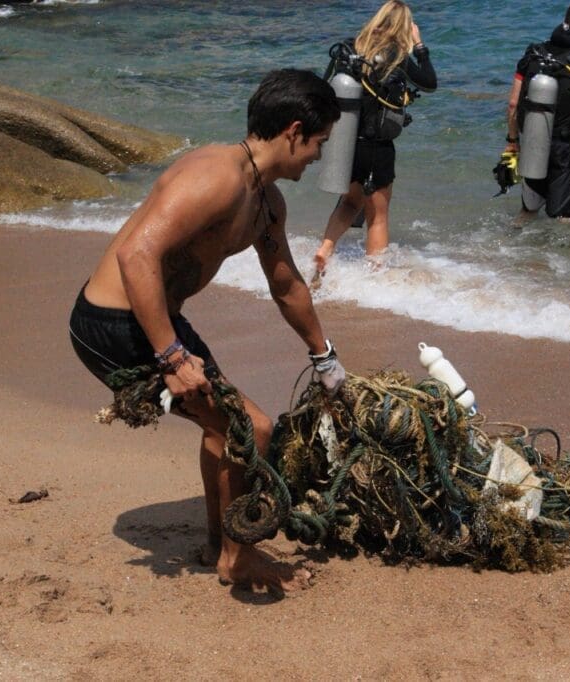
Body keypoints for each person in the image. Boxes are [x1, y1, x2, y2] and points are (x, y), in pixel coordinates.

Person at [68, 69, 347, 594]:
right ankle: (237, 560)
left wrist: (325, 359)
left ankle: (221, 543)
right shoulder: (215, 176)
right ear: (293, 131)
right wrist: (173, 358)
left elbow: (286, 286)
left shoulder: (267, 203)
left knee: (227, 427)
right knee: (253, 428)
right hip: (111, 324)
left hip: (158, 322)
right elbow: (136, 255)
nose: (317, 157)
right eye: (319, 143)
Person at [312, 0, 436, 277]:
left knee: (349, 203)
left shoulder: (349, 48)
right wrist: (419, 46)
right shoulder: (397, 57)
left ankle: (325, 248)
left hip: (345, 142)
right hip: (378, 146)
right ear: (404, 27)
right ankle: (375, 275)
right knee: (377, 216)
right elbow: (429, 83)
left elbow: (325, 85)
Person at [504, 1, 570, 219]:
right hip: (563, 147)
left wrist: (513, 140)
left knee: (528, 209)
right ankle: (562, 254)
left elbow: (513, 104)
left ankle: (508, 246)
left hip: (532, 139)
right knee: (564, 218)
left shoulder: (533, 54)